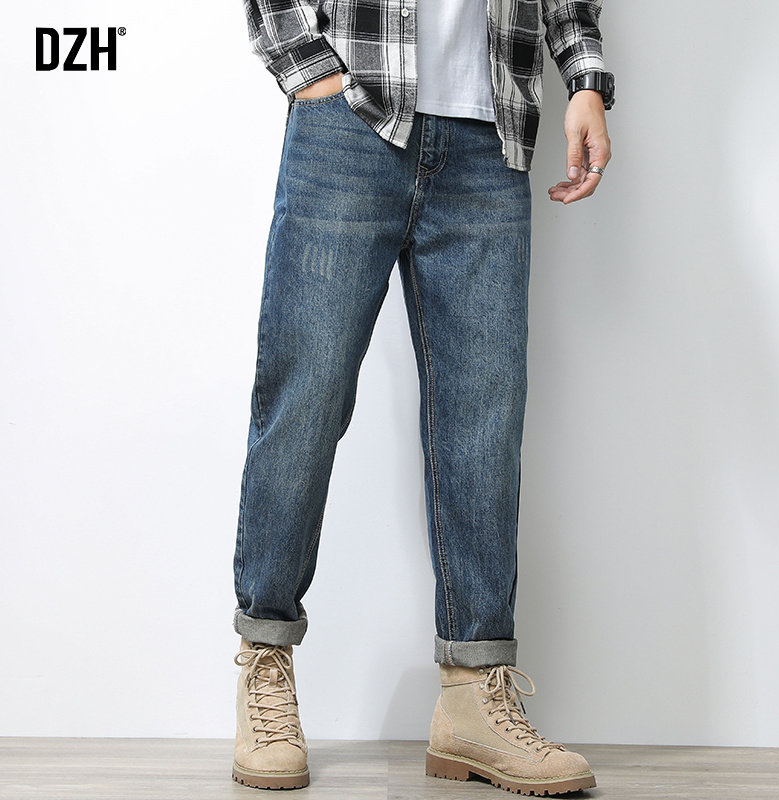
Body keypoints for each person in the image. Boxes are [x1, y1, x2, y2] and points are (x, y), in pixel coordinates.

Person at [231, 0, 613, 794]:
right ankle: (265, 661)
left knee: (484, 421)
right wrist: (307, 66)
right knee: (305, 401)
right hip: (350, 118)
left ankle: (474, 696)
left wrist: (584, 79)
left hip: (491, 135)